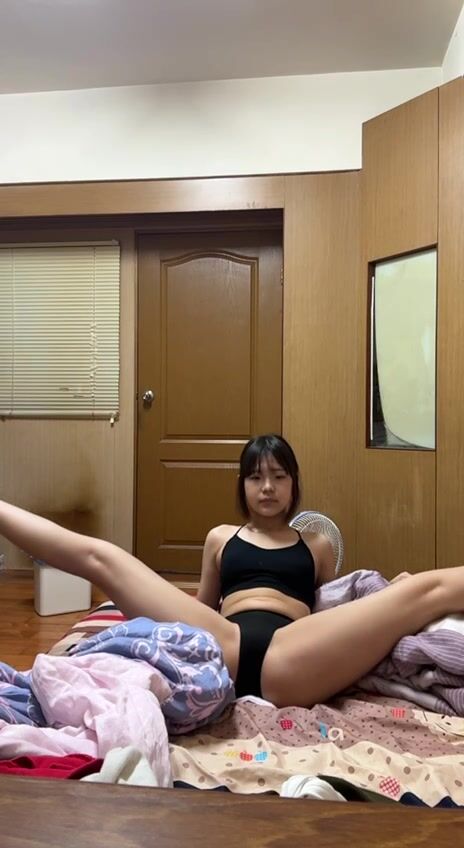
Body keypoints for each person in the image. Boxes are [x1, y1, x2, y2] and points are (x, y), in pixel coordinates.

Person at [0, 433, 463, 709]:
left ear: (294, 485)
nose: (268, 487)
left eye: (279, 476)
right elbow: (202, 605)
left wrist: (383, 598)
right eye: (256, 477)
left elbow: (331, 607)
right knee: (102, 558)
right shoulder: (221, 537)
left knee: (424, 589)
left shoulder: (317, 544)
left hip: (292, 655)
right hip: (222, 643)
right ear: (241, 485)